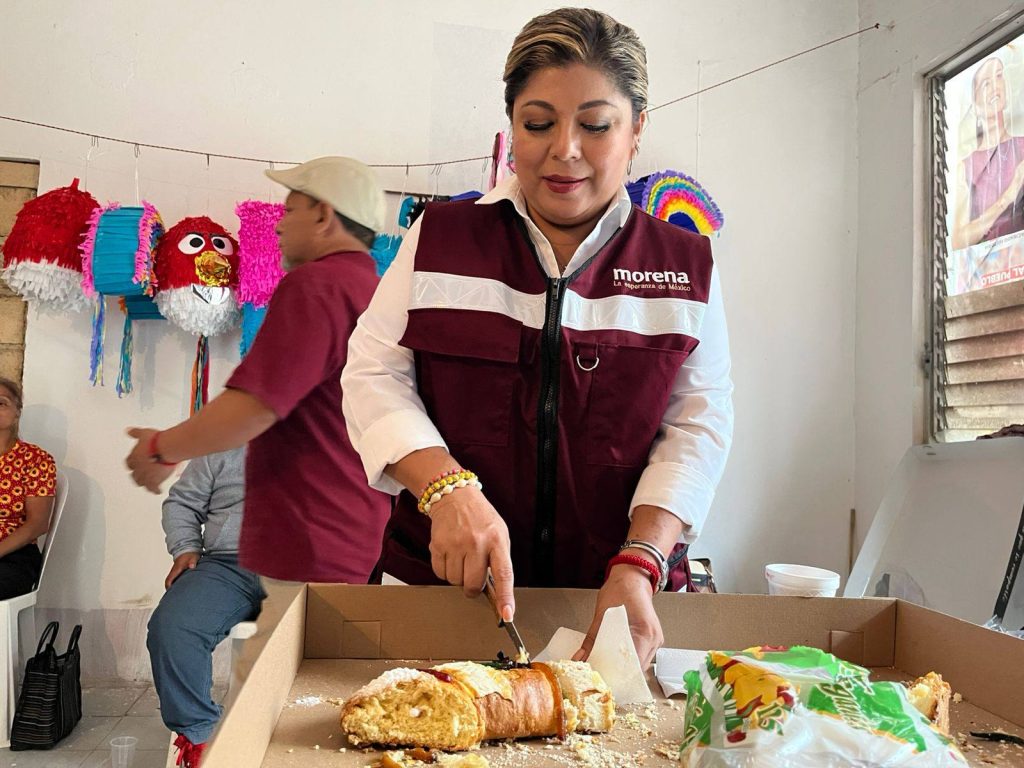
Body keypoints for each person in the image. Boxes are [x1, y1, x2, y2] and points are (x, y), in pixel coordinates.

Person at [341, 8, 733, 668]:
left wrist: (641, 559)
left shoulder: (685, 266)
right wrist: (446, 490)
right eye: (539, 123)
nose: (565, 150)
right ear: (512, 127)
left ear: (637, 129)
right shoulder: (440, 240)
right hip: (445, 590)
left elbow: (699, 422)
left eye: (596, 125)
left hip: (613, 602)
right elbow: (373, 372)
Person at [125, 156, 391, 584]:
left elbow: (254, 407)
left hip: (309, 531)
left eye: (291, 210)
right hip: (350, 525)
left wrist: (161, 448)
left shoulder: (318, 285)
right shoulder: (372, 291)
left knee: (293, 632)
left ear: (323, 215)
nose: (279, 226)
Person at [147, 446, 261, 768]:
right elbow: (182, 502)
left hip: (302, 566)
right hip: (227, 565)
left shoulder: (330, 436)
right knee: (173, 628)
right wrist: (185, 546)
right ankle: (201, 738)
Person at [952, 56, 1024, 250]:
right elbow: (959, 240)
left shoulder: (1022, 146)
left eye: (999, 76)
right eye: (985, 84)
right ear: (974, 104)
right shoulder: (966, 167)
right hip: (987, 266)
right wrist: (1008, 196)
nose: (995, 87)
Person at [0, 377, 56, 599]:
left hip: (13, 554)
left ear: (17, 411)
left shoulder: (35, 459)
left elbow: (38, 524)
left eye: (1, 403)